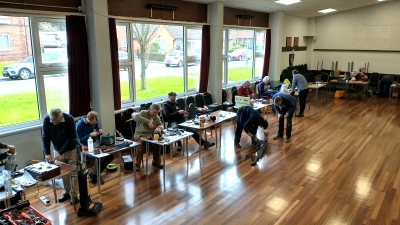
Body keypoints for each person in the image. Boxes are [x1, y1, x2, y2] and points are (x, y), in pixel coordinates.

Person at [42, 108, 78, 203]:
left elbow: (72, 138)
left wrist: (61, 152)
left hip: (71, 150)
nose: (53, 122)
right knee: (63, 173)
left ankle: (74, 195)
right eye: (51, 120)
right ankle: (66, 192)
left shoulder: (69, 119)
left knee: (73, 173)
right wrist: (47, 153)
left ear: (61, 117)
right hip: (57, 150)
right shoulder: (47, 120)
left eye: (55, 121)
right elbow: (45, 137)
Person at [76, 111, 114, 185]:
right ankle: (97, 177)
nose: (94, 124)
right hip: (85, 149)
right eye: (93, 123)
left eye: (95, 123)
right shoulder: (79, 125)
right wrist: (90, 135)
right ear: (88, 119)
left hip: (95, 145)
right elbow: (79, 141)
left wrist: (100, 130)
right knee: (97, 157)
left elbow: (97, 128)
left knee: (111, 156)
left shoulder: (94, 122)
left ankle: (94, 174)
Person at [133, 104, 164, 171]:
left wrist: (159, 128)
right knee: (141, 145)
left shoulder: (156, 117)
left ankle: (156, 161)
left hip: (150, 135)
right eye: (154, 112)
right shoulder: (143, 112)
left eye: (157, 112)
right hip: (140, 135)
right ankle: (137, 164)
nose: (155, 114)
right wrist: (147, 121)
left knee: (157, 144)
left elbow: (161, 125)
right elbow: (136, 117)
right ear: (150, 110)